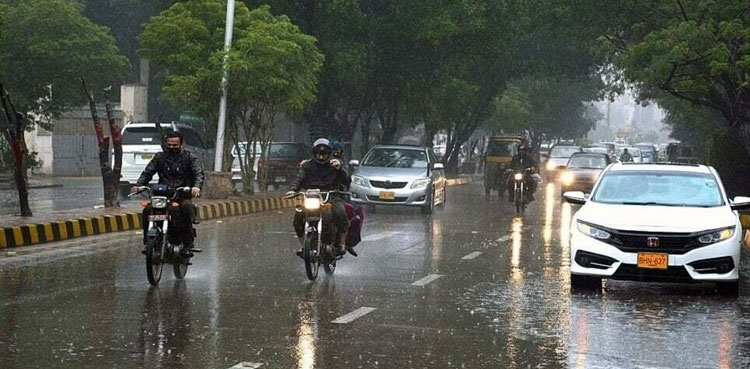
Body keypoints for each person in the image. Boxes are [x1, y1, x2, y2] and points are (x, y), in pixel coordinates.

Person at [132, 132, 204, 254]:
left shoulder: (189, 157)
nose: (171, 147)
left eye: (175, 145)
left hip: (181, 195)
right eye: (169, 144)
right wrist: (139, 185)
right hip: (162, 195)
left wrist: (196, 187)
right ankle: (148, 242)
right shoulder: (159, 157)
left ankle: (187, 244)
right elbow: (148, 172)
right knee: (147, 210)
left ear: (181, 144)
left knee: (186, 208)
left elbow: (198, 173)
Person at [287, 138, 353, 257]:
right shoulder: (306, 166)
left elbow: (347, 181)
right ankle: (303, 245)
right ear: (314, 153)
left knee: (340, 212)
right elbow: (299, 179)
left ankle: (342, 243)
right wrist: (293, 190)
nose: (321, 157)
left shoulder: (336, 164)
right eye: (319, 154)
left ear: (329, 154)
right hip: (311, 197)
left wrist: (340, 169)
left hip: (332, 196)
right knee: (298, 216)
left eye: (324, 155)